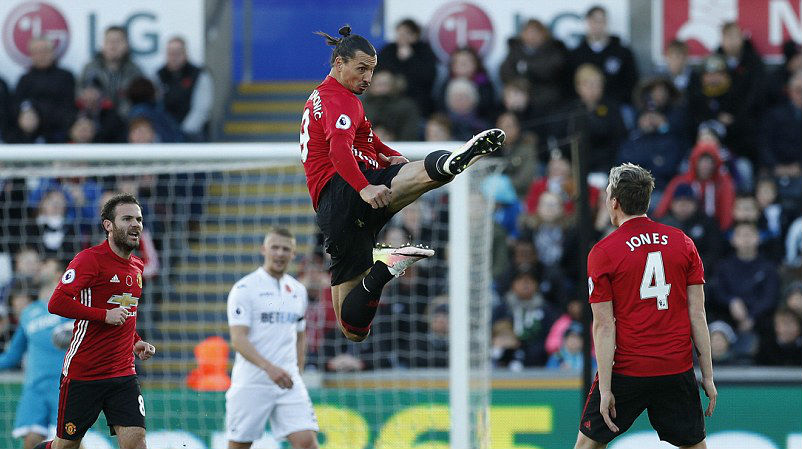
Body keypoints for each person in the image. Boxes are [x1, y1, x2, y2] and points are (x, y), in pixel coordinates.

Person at [301, 25, 505, 342]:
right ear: (338, 63)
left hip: (346, 197)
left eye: (372, 70)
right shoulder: (341, 101)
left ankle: (384, 267)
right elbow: (338, 149)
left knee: (352, 328)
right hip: (347, 190)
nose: (368, 77)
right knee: (419, 177)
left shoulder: (327, 97)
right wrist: (365, 187)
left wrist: (389, 157)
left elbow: (367, 139)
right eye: (361, 69)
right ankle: (447, 163)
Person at [575, 163, 716, 449]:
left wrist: (604, 389)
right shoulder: (683, 243)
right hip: (675, 369)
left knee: (587, 446)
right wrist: (708, 377)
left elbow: (604, 324)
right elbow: (697, 314)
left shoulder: (603, 252)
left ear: (614, 202)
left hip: (628, 370)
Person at [34, 193, 156, 449]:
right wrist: (103, 315)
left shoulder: (136, 267)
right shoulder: (89, 260)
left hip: (123, 372)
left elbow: (125, 313)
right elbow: (56, 303)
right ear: (108, 225)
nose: (136, 224)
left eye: (139, 219)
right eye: (127, 219)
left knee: (136, 442)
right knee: (66, 445)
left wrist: (136, 341)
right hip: (84, 372)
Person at [225, 228, 318, 449]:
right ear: (264, 250)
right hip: (253, 381)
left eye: (286, 249)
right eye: (275, 247)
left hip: (287, 381)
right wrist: (269, 368)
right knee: (240, 445)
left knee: (307, 442)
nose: (279, 253)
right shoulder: (244, 289)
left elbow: (300, 335)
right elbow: (238, 340)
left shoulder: (298, 290)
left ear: (293, 254)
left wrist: (298, 371)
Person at [0, 280, 71, 449]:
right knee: (31, 439)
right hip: (35, 387)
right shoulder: (28, 314)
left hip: (62, 385)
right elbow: (12, 355)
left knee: (67, 441)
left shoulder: (70, 308)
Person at [570, 5, 638, 105]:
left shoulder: (622, 52)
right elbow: (569, 83)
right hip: (583, 107)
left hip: (617, 105)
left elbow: (632, 82)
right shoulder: (576, 54)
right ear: (587, 22)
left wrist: (613, 101)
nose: (598, 25)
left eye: (601, 21)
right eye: (594, 20)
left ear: (606, 22)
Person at [14, 38, 76, 142]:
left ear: (53, 52)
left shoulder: (66, 77)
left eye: (45, 50)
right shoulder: (24, 80)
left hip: (60, 132)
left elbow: (69, 106)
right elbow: (17, 105)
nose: (41, 55)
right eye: (37, 52)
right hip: (30, 135)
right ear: (31, 55)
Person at [156, 36, 214, 141]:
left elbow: (201, 109)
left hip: (192, 132)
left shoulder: (199, 74)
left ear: (186, 53)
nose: (174, 57)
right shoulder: (159, 75)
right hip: (166, 131)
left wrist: (182, 132)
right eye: (170, 53)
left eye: (177, 53)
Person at [79, 26, 144, 115]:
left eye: (118, 41)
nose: (113, 46)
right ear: (103, 45)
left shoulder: (135, 71)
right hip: (97, 120)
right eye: (109, 41)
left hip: (126, 121)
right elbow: (78, 93)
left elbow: (141, 99)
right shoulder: (90, 68)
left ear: (126, 45)